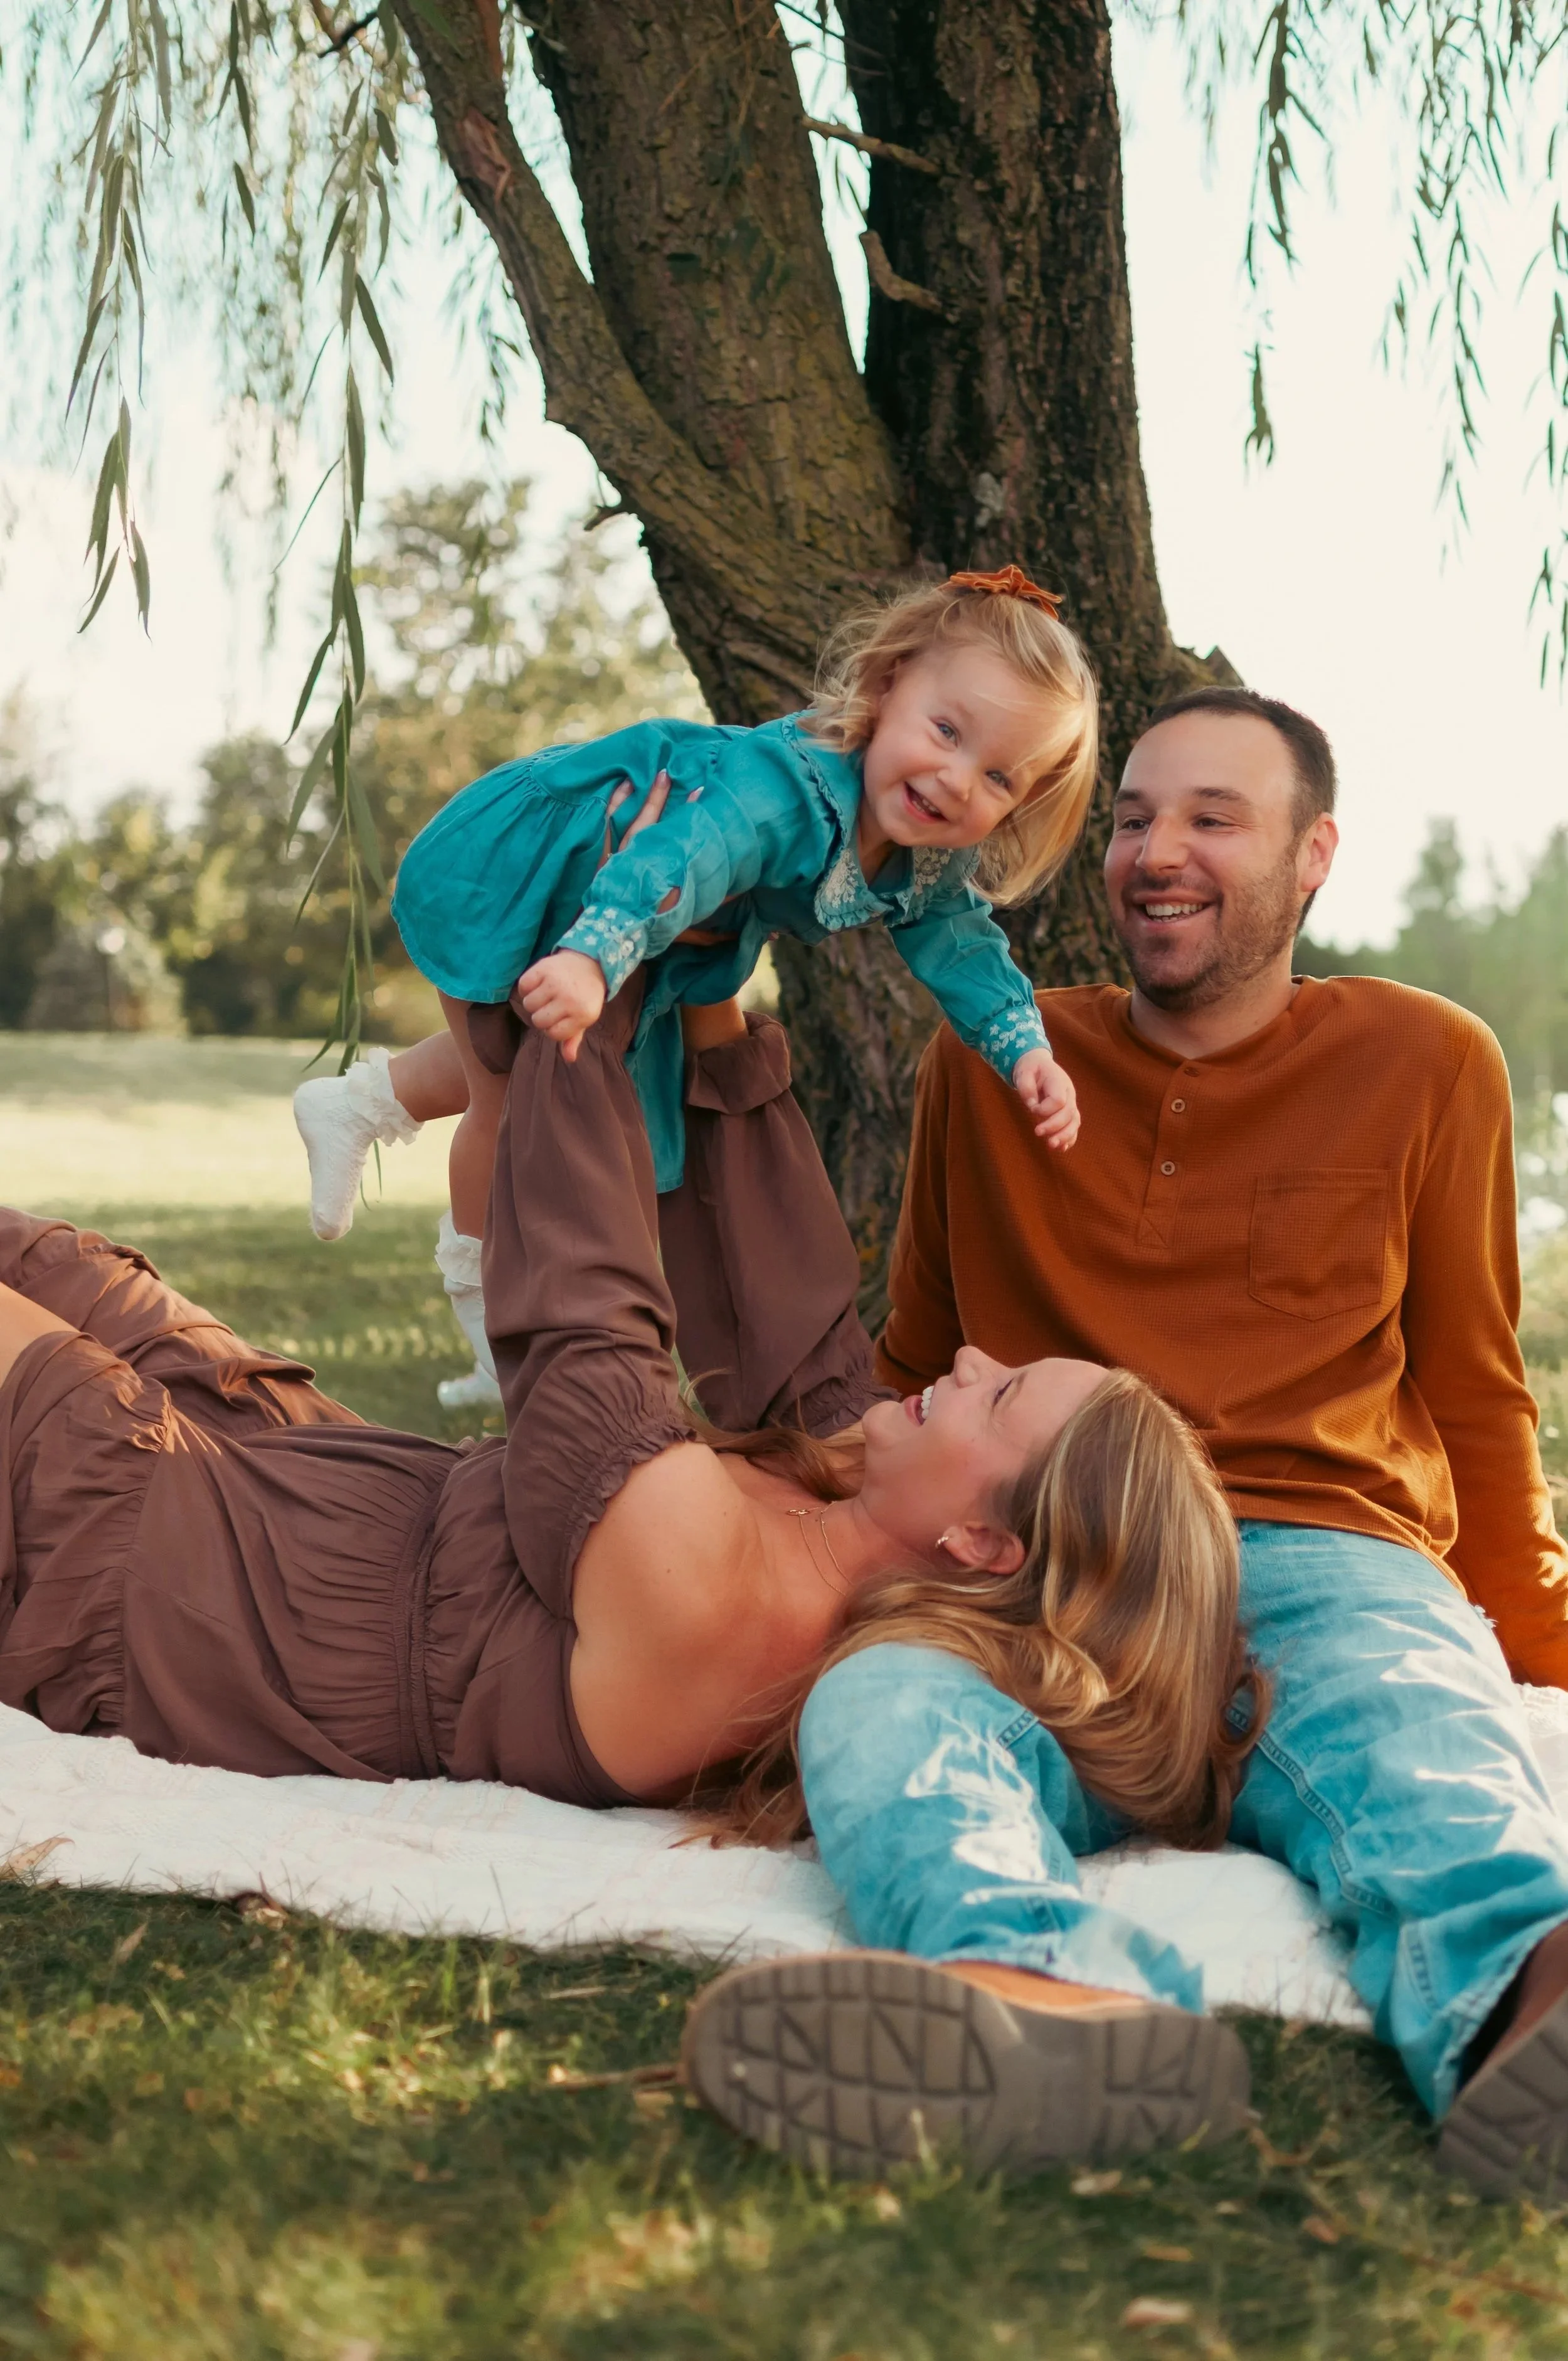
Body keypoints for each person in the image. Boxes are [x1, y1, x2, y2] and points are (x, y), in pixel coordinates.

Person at [0, 965, 1259, 2177]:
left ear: (984, 1546)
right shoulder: (842, 1503)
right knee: (56, 1257)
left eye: (1004, 1394)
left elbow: (577, 1327)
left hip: (186, 1577)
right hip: (282, 1457)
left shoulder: (744, 1611)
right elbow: (791, 1307)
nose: (972, 1357)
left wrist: (591, 996)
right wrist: (712, 1014)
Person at [682, 684, 1568, 2200]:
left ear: (1311, 857)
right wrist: (788, 1514)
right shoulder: (996, 1062)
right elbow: (915, 1352)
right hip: (1046, 1560)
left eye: (1212, 818)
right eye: (1138, 816)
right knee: (886, 1704)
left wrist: (1537, 1634)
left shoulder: (1427, 1063)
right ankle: (1038, 2000)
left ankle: (1522, 2015)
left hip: (1316, 1554)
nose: (1158, 849)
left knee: (1415, 1741)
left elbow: (1476, 1390)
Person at [294, 567, 1096, 1404]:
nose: (959, 780)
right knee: (507, 1092)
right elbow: (681, 856)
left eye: (1001, 778)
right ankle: (495, 1332)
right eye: (946, 731)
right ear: (887, 686)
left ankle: (356, 1104)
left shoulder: (926, 855)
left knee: (511, 1039)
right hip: (556, 859)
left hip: (633, 901)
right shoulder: (782, 792)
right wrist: (592, 957)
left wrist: (1024, 1048)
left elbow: (960, 943)